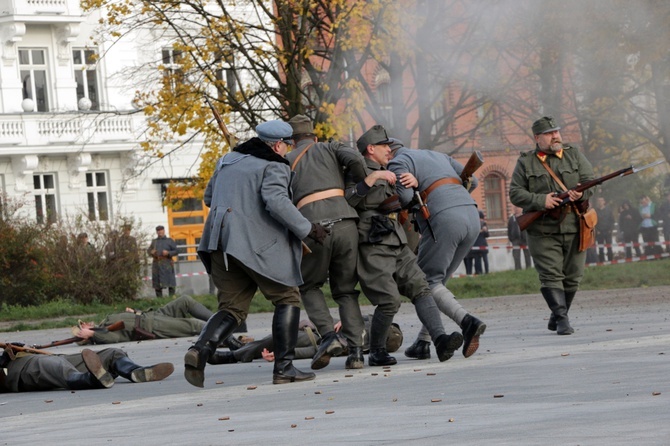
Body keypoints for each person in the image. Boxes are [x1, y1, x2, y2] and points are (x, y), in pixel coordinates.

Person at [185, 119, 328, 388]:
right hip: (254, 245)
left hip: (219, 243)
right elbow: (275, 201)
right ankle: (284, 369)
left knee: (232, 308)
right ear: (277, 145)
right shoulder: (274, 165)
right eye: (287, 145)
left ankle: (200, 350)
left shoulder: (227, 160)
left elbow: (209, 198)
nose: (287, 150)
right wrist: (307, 228)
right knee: (287, 296)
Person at [343, 129, 465, 366]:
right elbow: (346, 200)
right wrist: (369, 181)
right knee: (389, 301)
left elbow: (403, 203)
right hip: (372, 243)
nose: (390, 150)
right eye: (384, 146)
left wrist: (414, 185)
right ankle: (377, 351)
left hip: (397, 240)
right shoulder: (356, 170)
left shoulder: (392, 171)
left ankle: (439, 340)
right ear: (370, 149)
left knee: (422, 287)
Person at [386, 134, 486, 360]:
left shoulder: (397, 162)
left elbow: (404, 197)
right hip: (471, 215)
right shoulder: (438, 155)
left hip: (443, 219)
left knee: (424, 281)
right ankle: (423, 341)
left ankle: (467, 322)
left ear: (390, 151)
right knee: (436, 281)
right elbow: (475, 181)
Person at [285, 115, 369, 370]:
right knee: (345, 290)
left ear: (291, 141)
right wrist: (357, 182)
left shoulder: (285, 160)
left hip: (312, 227)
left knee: (309, 285)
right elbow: (355, 158)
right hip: (345, 221)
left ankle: (329, 336)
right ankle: (356, 353)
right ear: (314, 137)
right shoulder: (331, 147)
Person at [509, 116, 595, 335]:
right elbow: (515, 193)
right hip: (543, 229)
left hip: (575, 225)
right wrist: (541, 200)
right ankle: (562, 319)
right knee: (550, 274)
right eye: (549, 133)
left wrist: (581, 192)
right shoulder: (526, 162)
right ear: (537, 138)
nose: (555, 136)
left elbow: (590, 181)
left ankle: (557, 313)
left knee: (574, 275)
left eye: (556, 131)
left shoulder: (573, 155)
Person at [209, 317, 404, 365]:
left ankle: (234, 354)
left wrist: (282, 355)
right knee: (277, 337)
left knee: (277, 339)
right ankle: (240, 349)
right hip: (314, 334)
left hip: (314, 338)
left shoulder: (357, 338)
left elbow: (317, 352)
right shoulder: (358, 329)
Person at [0, 347, 173, 392]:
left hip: (33, 357)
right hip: (18, 369)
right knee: (58, 367)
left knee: (112, 353)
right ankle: (91, 380)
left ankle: (134, 371)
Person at [72, 295, 224, 344]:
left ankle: (222, 322)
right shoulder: (103, 333)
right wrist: (93, 334)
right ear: (84, 334)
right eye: (82, 327)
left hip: (153, 315)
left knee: (185, 301)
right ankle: (225, 333)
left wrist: (135, 312)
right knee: (195, 326)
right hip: (154, 326)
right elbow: (116, 338)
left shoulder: (106, 321)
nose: (84, 323)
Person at [147, 225, 178, 297]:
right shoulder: (154, 242)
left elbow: (176, 251)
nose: (160, 232)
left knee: (170, 281)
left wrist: (168, 253)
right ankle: (159, 299)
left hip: (167, 263)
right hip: (157, 264)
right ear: (157, 232)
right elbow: (148, 251)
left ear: (164, 231)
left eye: (161, 230)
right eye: (158, 231)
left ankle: (171, 298)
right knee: (157, 283)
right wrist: (151, 252)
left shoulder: (169, 241)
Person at [594, 196, 615, 262]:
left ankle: (610, 260)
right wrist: (597, 230)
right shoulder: (595, 211)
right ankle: (601, 261)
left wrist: (610, 230)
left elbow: (612, 221)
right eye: (598, 201)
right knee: (600, 248)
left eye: (601, 201)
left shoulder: (608, 210)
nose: (600, 202)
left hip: (608, 232)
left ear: (604, 202)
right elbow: (593, 222)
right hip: (599, 232)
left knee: (609, 246)